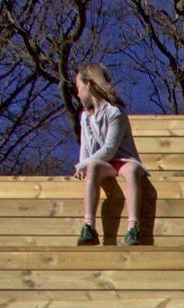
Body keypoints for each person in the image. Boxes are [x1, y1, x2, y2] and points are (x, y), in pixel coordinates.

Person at [71, 64, 145, 247]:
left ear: (89, 85)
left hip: (122, 159)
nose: (77, 93)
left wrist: (81, 165)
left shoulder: (114, 113)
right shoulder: (86, 117)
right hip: (104, 163)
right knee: (92, 167)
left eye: (78, 87)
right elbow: (87, 147)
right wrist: (83, 164)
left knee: (133, 171)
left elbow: (110, 149)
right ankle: (89, 226)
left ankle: (133, 227)